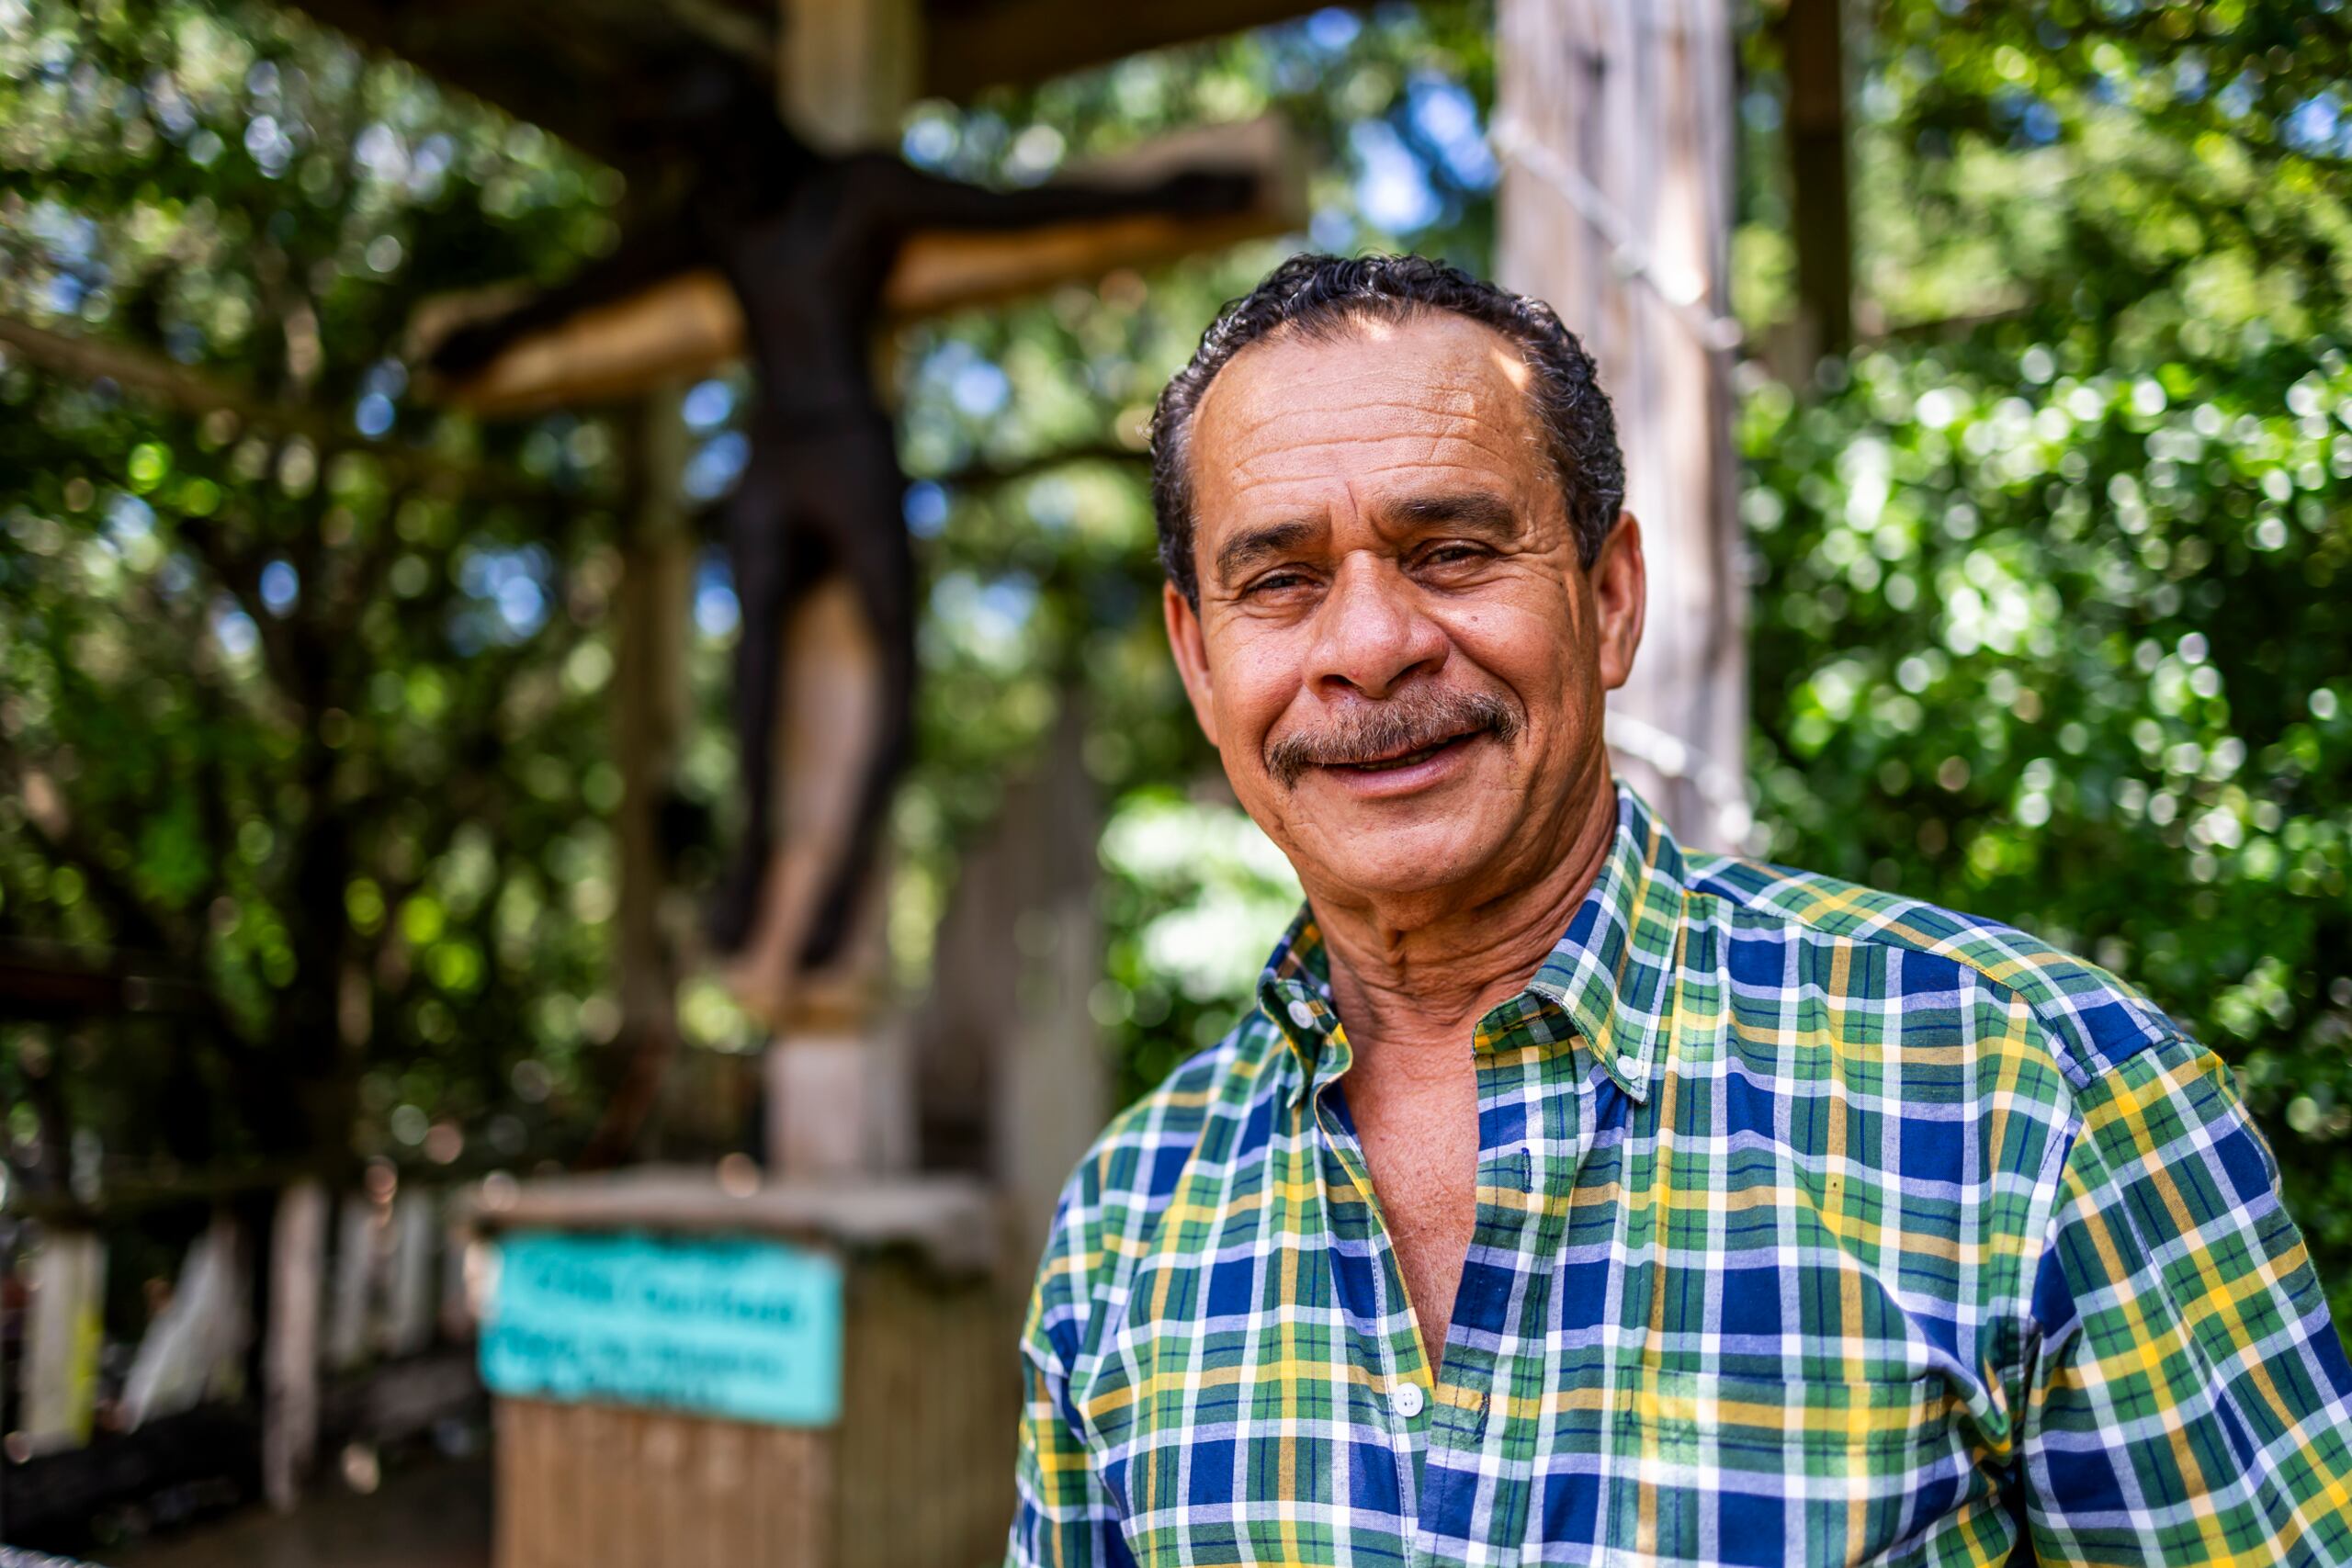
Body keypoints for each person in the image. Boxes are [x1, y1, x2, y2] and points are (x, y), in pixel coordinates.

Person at [1007, 253, 2352, 1566]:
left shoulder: (2032, 1099)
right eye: (1283, 581)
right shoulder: (1133, 1216)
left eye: (1455, 549)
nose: (1369, 646)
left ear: (1607, 598)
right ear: (1198, 656)